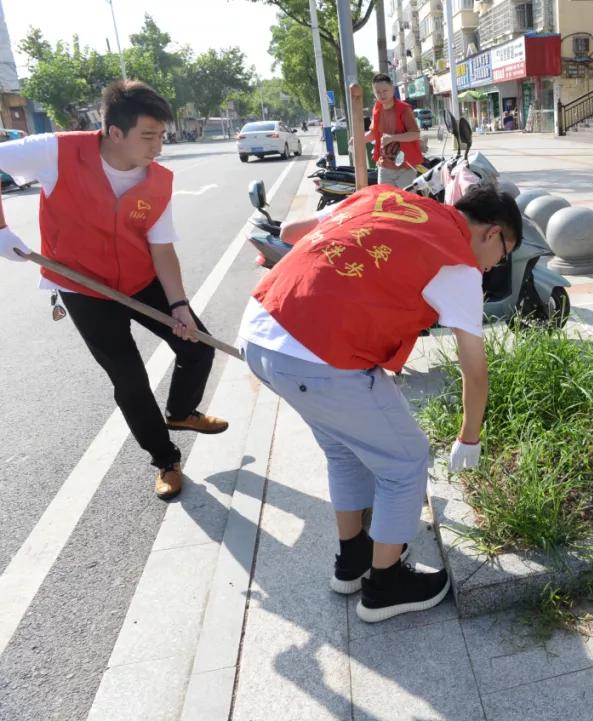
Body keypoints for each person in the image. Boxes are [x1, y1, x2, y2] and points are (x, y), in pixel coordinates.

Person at [238, 182, 522, 623]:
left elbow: (292, 231)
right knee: (405, 460)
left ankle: (353, 561)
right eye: (503, 254)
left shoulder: (387, 196)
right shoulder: (458, 265)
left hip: (261, 329)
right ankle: (385, 586)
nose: (495, 265)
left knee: (343, 449)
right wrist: (469, 436)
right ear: (492, 233)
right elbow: (475, 367)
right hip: (318, 355)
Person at [0, 80, 228, 500]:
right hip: (82, 286)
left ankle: (180, 413)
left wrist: (178, 304)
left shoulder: (159, 179)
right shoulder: (57, 151)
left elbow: (162, 248)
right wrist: (0, 228)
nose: (158, 146)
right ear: (114, 131)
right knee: (129, 379)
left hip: (140, 279)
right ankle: (165, 460)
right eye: (148, 136)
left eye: (162, 135)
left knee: (198, 345)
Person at [363, 73, 423, 188]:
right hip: (384, 167)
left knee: (404, 203)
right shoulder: (377, 109)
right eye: (378, 92)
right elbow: (373, 133)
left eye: (385, 90)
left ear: (393, 89)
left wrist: (393, 138)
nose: (382, 95)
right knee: (385, 203)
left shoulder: (404, 109)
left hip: (405, 168)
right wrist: (358, 139)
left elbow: (415, 134)